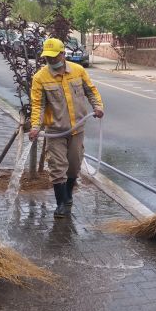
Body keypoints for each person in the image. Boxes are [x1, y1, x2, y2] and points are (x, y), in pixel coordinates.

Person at [29, 37, 104, 218]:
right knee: (57, 167)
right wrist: (35, 127)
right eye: (48, 57)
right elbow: (38, 105)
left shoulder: (78, 71)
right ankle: (61, 203)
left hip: (77, 129)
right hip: (55, 131)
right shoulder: (40, 78)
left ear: (63, 54)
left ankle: (68, 194)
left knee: (74, 165)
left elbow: (91, 90)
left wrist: (98, 106)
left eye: (54, 57)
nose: (51, 61)